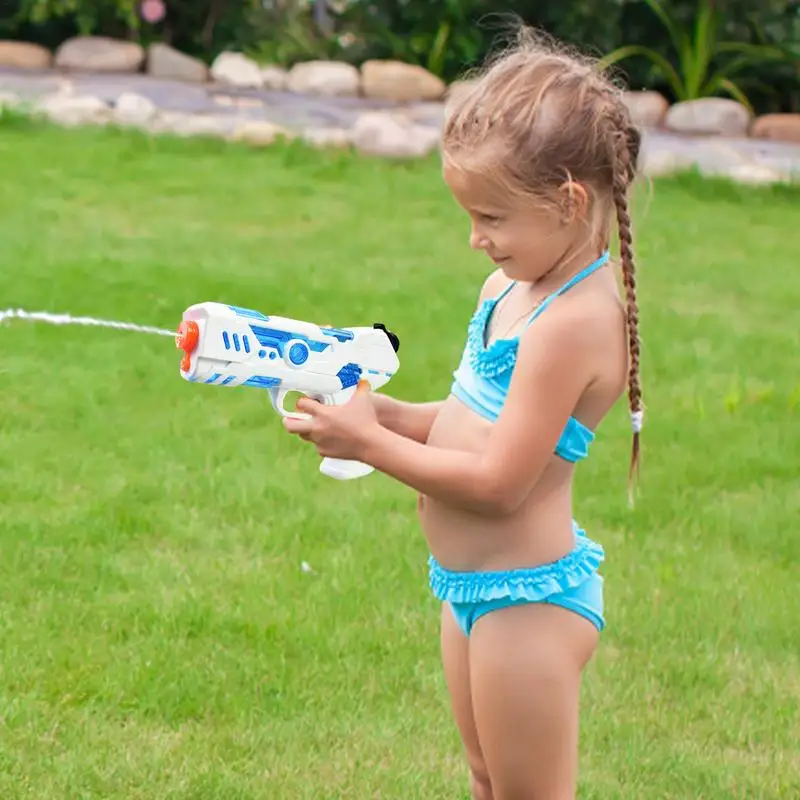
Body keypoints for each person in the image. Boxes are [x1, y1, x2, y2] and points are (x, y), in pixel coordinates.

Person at [283, 24, 644, 800]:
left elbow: (498, 483)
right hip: (468, 590)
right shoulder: (509, 292)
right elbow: (466, 417)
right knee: (486, 779)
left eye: (492, 218)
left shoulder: (576, 323)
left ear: (569, 201)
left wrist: (370, 447)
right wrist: (375, 413)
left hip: (529, 602)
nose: (476, 239)